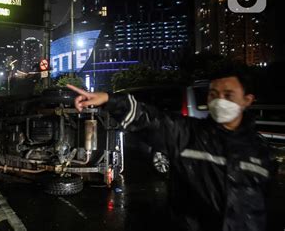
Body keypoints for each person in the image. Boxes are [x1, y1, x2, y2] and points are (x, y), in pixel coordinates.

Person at [67, 68, 275, 231]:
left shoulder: (260, 151)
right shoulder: (188, 134)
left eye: (228, 94)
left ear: (248, 100)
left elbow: (264, 206)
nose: (219, 100)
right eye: (213, 94)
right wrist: (109, 99)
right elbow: (151, 119)